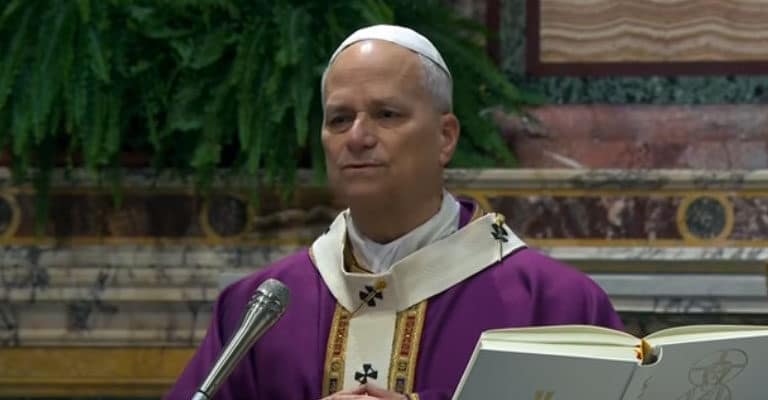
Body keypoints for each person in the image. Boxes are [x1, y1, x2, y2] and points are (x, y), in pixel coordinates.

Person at [167, 24, 624, 400]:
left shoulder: (554, 305)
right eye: (339, 119)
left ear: (445, 137)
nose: (358, 136)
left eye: (386, 114)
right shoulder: (261, 307)